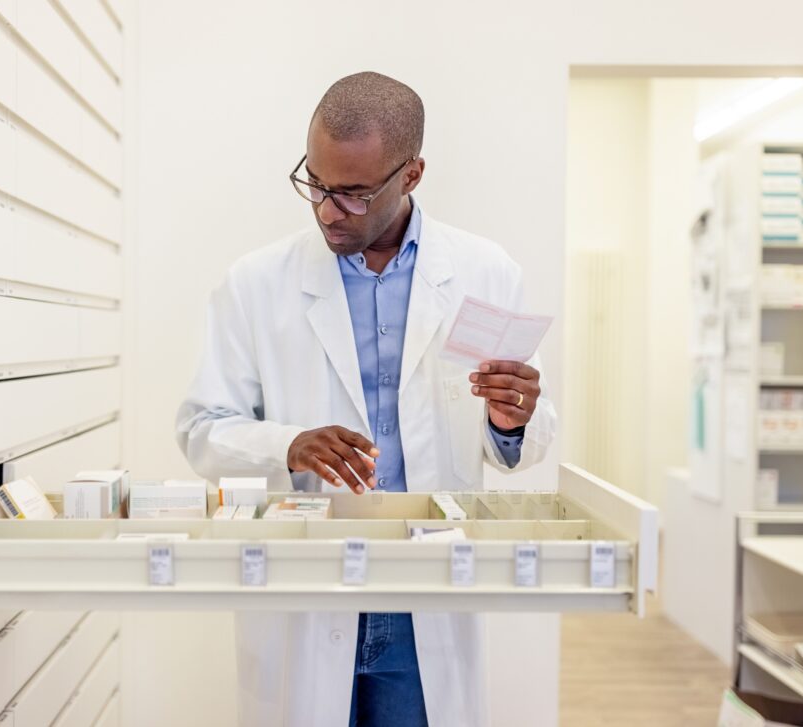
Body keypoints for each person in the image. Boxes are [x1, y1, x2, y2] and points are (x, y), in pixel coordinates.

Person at [177, 71, 556, 727]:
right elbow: (202, 428)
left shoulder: (483, 272)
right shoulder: (255, 283)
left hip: (424, 591)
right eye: (316, 184)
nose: (327, 209)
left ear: (410, 176)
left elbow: (524, 438)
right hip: (308, 583)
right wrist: (287, 443)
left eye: (351, 193)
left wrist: (510, 419)